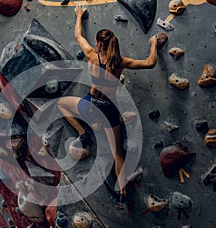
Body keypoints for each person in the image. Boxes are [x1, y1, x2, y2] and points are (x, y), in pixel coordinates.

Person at [57, 5, 158, 201]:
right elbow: (149, 63)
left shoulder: (92, 57)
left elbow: (78, 36)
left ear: (98, 43)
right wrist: (153, 44)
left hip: (90, 105)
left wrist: (79, 15)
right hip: (108, 109)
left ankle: (82, 132)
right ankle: (123, 191)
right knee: (117, 152)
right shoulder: (120, 62)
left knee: (61, 104)